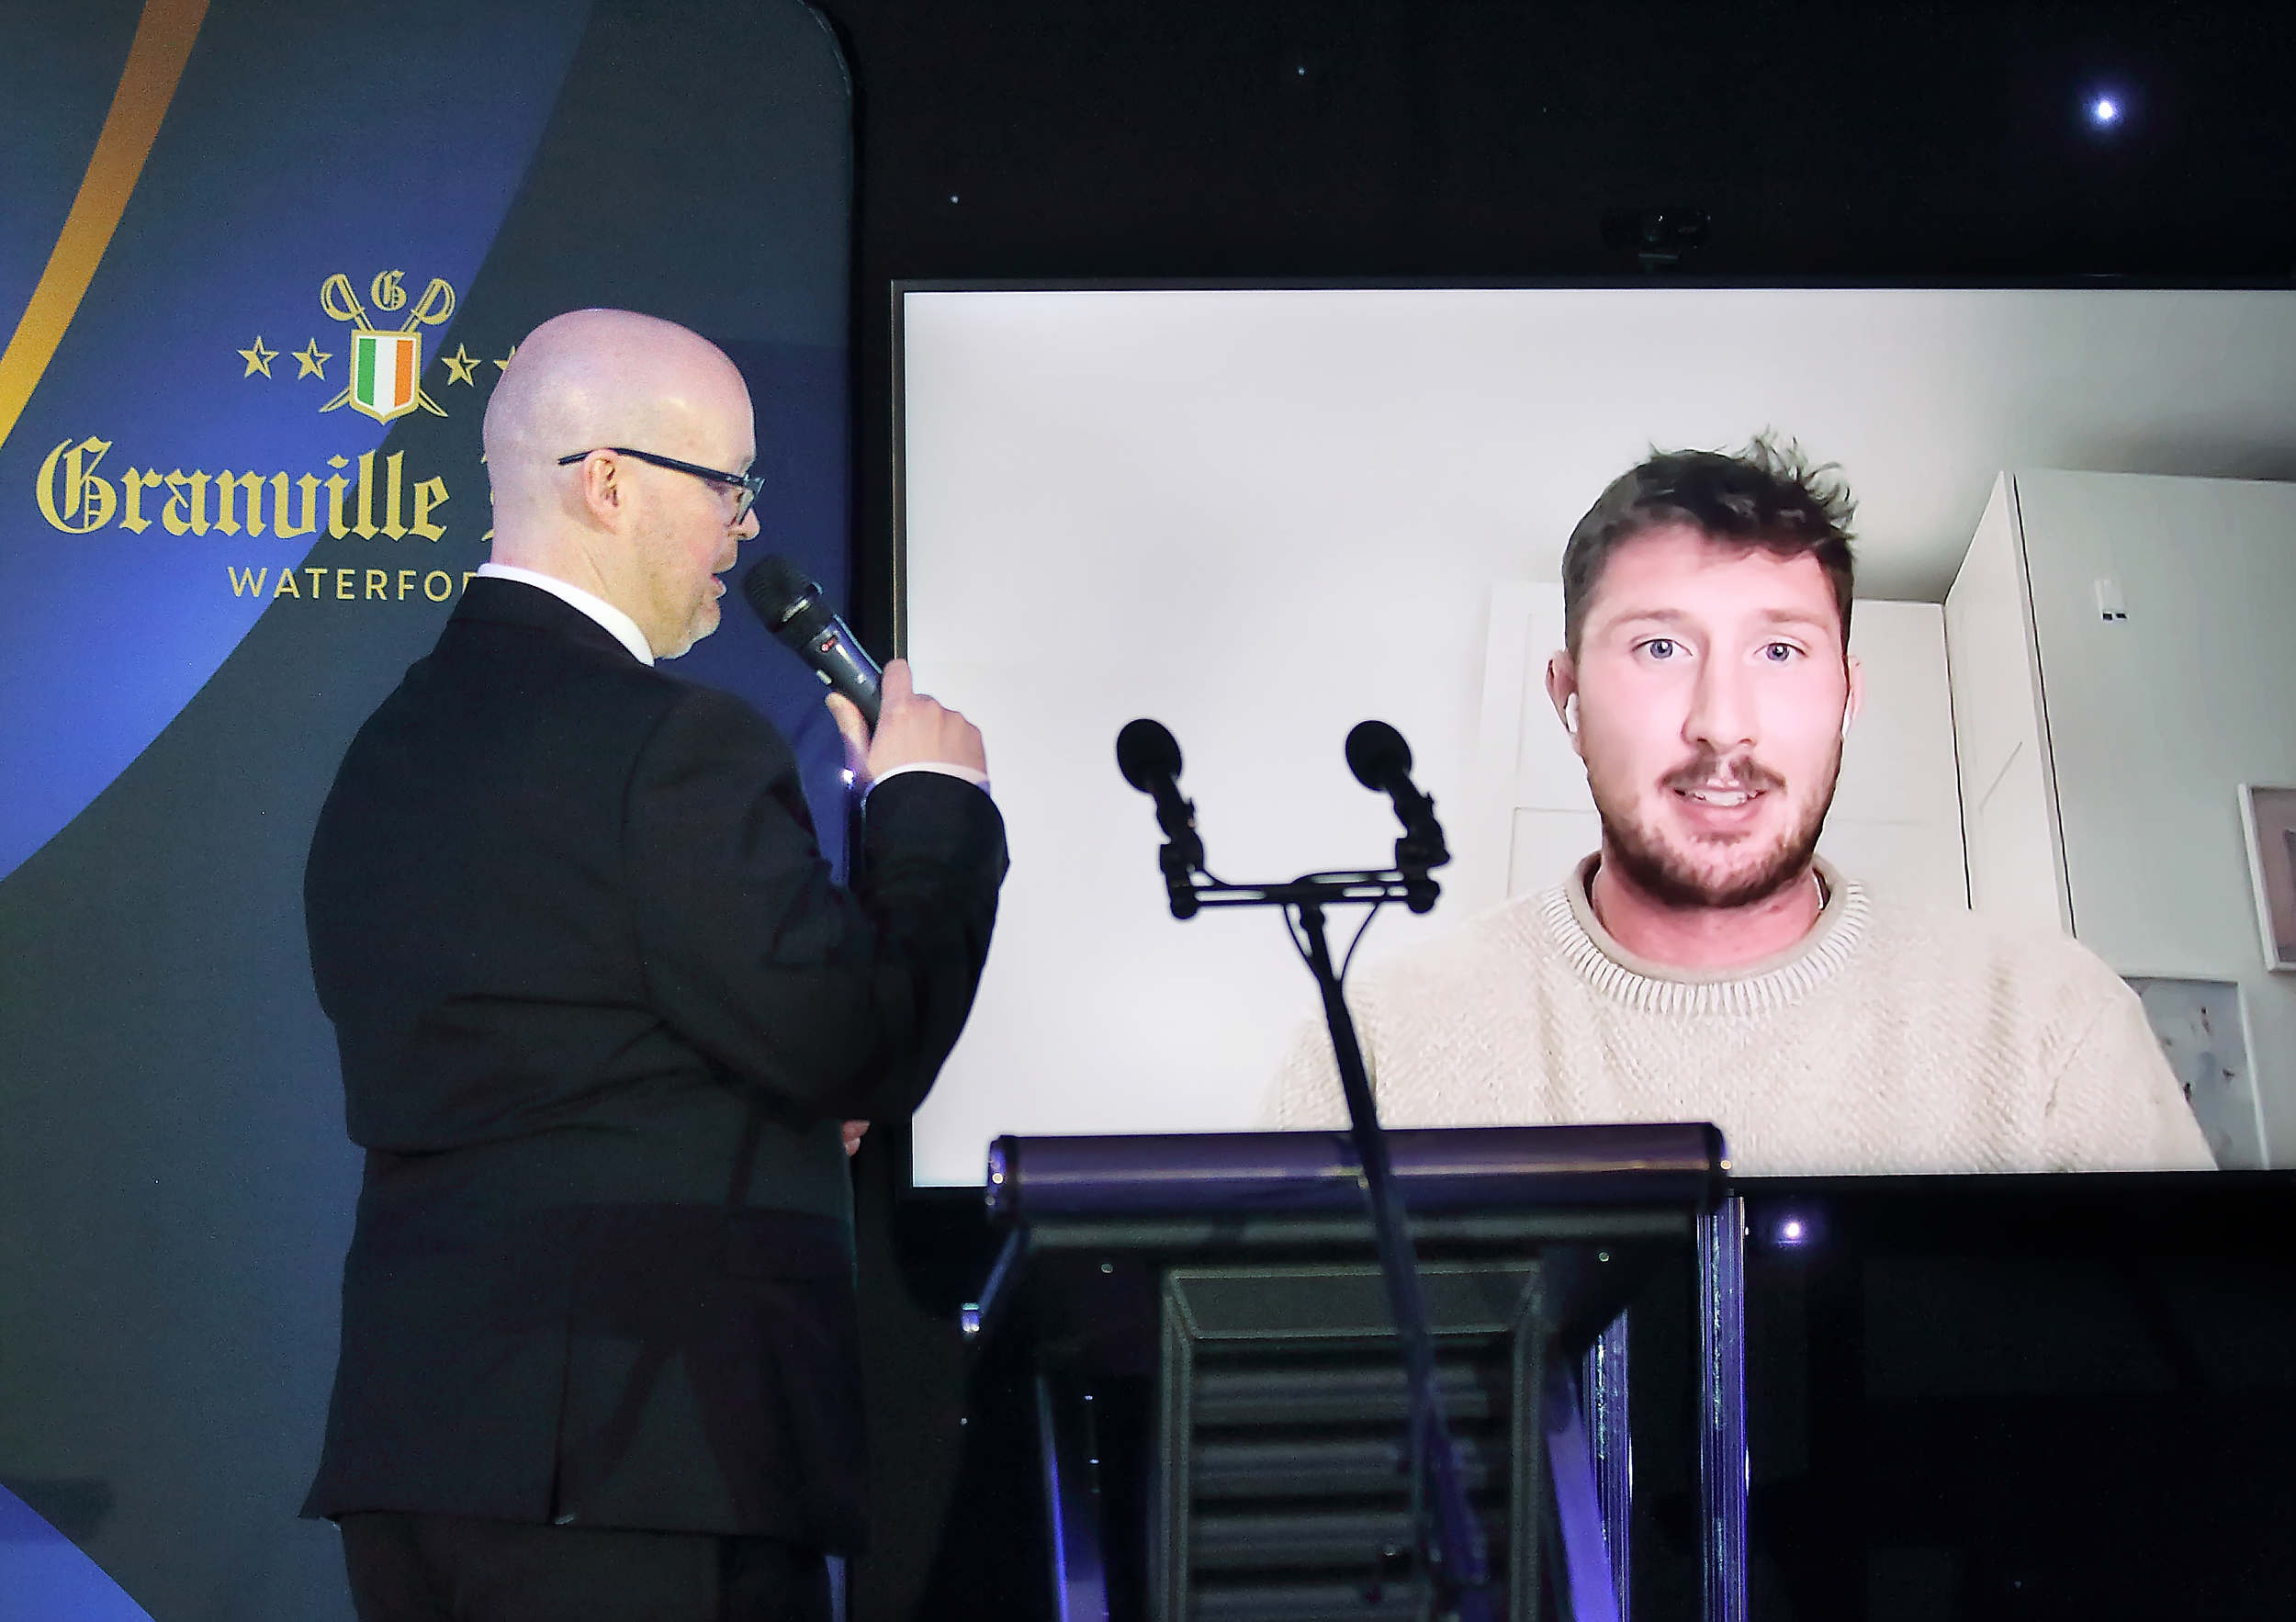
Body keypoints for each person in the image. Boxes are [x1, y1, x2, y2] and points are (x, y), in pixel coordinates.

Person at [300, 309, 1008, 1621]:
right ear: (610, 483)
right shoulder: (675, 745)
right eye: (729, 484)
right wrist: (930, 809)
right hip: (644, 1455)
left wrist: (771, 1105)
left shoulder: (388, 748)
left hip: (424, 1453)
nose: (747, 525)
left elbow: (553, 1054)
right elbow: (862, 1039)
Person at [1265, 437, 2212, 1176]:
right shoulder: (1374, 1044)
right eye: (1660, 648)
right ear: (1569, 697)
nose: (1723, 724)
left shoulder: (2053, 1022)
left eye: (1780, 651)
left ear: (1846, 695)